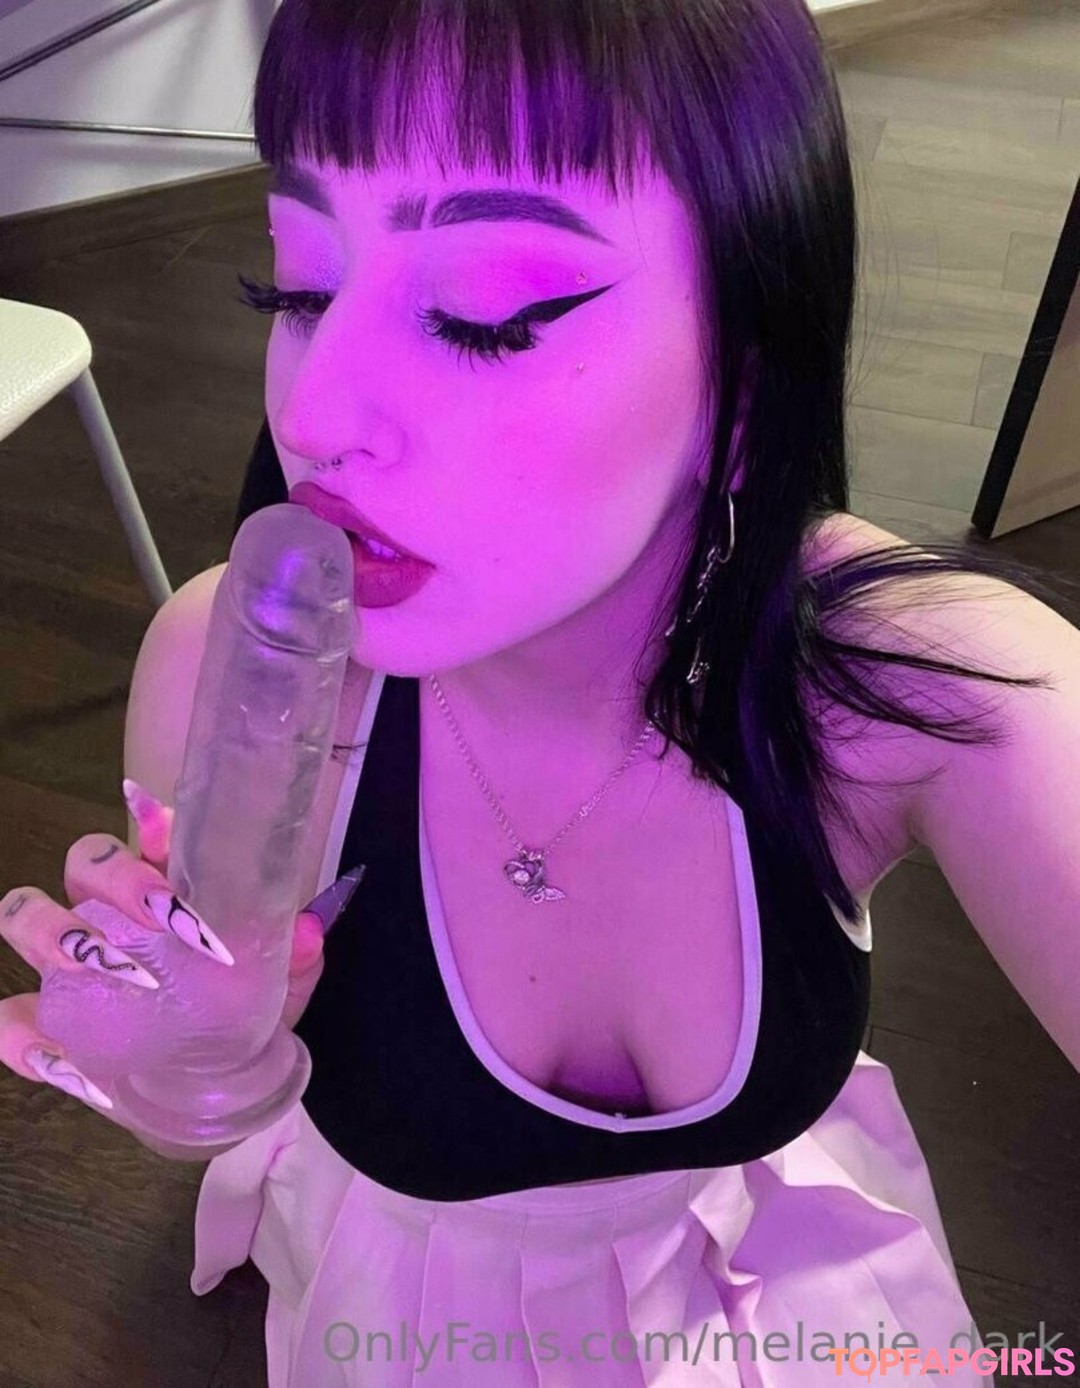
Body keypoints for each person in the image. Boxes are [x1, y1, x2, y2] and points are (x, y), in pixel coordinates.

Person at [3, 0, 1078, 1383]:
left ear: (747, 388)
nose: (315, 413)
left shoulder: (897, 691)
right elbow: (198, 1078)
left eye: (484, 316)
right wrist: (180, 1070)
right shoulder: (227, 675)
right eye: (301, 287)